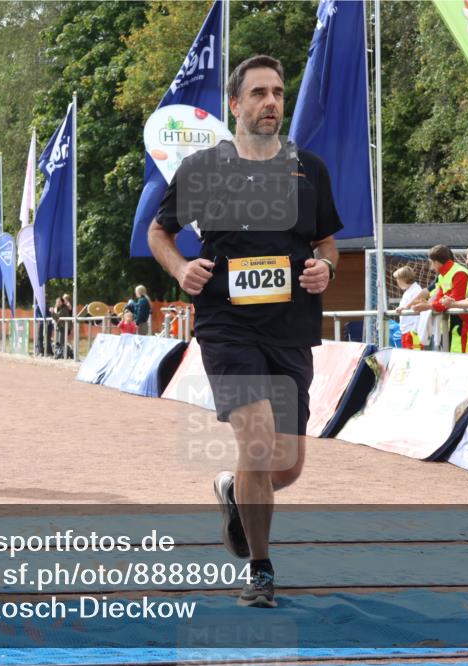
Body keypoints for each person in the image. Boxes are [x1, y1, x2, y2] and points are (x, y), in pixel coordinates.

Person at [148, 55, 342, 608]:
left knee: (286, 466)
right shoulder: (204, 169)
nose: (271, 103)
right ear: (235, 105)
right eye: (258, 93)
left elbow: (328, 245)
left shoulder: (311, 169)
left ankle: (233, 490)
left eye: (278, 93)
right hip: (227, 324)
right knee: (256, 442)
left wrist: (325, 267)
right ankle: (260, 570)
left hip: (290, 329)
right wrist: (181, 268)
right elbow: (159, 232)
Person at [392, 266, 423, 349]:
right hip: (406, 330)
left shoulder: (416, 290)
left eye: (398, 279)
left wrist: (414, 332)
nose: (397, 282)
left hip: (413, 331)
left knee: (413, 358)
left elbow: (417, 309)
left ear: (403, 279)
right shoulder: (408, 291)